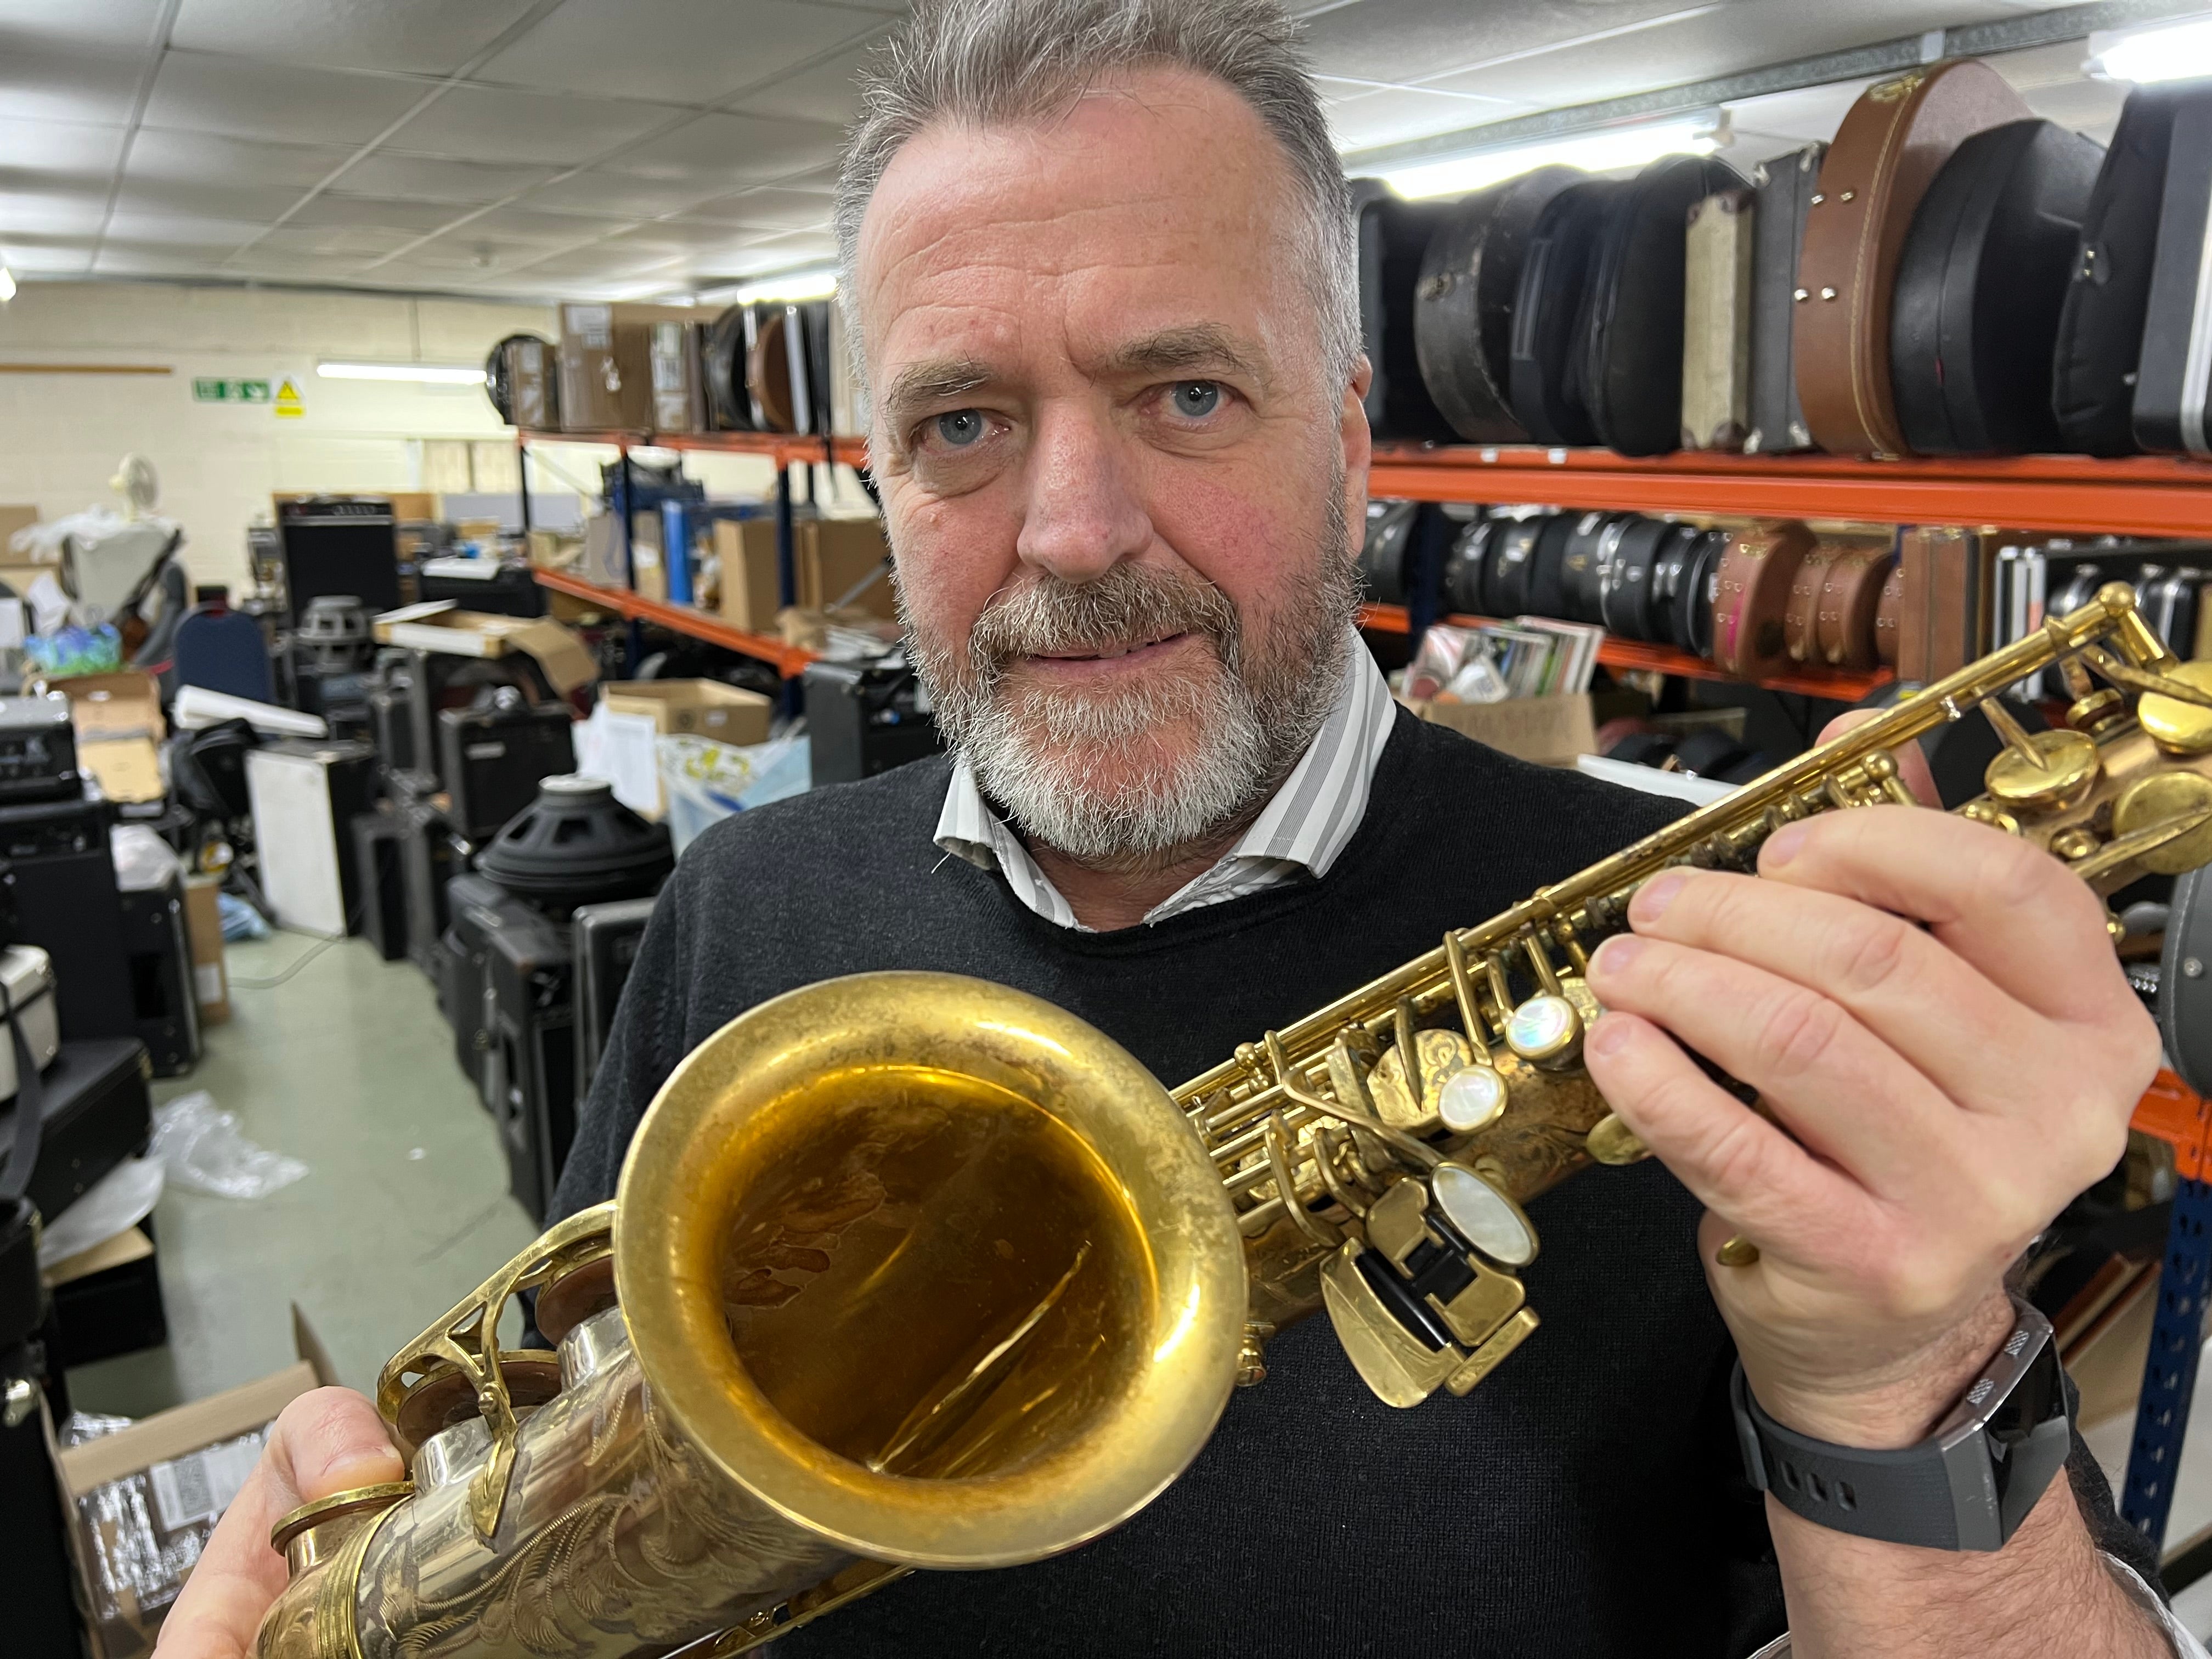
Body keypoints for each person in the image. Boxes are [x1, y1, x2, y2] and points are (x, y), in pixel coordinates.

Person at [161, 3, 2190, 1655]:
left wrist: (1895, 1383)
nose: (1070, 535)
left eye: (1187, 396)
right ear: (882, 471)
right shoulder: (747, 905)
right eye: (963, 424)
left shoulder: (1707, 977)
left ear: (1354, 436)